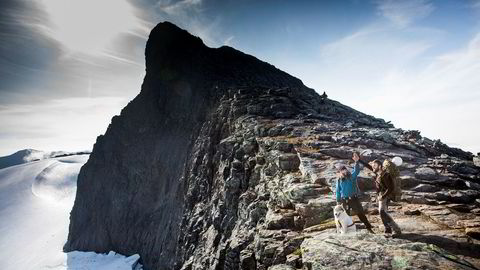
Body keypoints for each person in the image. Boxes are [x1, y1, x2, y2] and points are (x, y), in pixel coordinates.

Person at [358, 155, 402, 236]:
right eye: (373, 166)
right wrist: (359, 160)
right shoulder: (378, 172)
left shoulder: (385, 175)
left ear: (380, 166)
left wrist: (383, 196)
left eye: (375, 165)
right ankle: (387, 229)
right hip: (381, 195)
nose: (373, 167)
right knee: (382, 212)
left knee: (382, 212)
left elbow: (391, 188)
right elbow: (368, 166)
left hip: (385, 195)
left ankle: (396, 229)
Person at [335, 153, 374, 233]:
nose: (341, 172)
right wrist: (338, 201)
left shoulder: (351, 177)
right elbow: (338, 191)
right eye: (340, 171)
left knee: (360, 214)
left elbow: (356, 171)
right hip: (344, 200)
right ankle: (344, 230)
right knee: (344, 216)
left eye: (343, 170)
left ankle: (368, 227)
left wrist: (356, 162)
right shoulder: (339, 180)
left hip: (354, 199)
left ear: (345, 170)